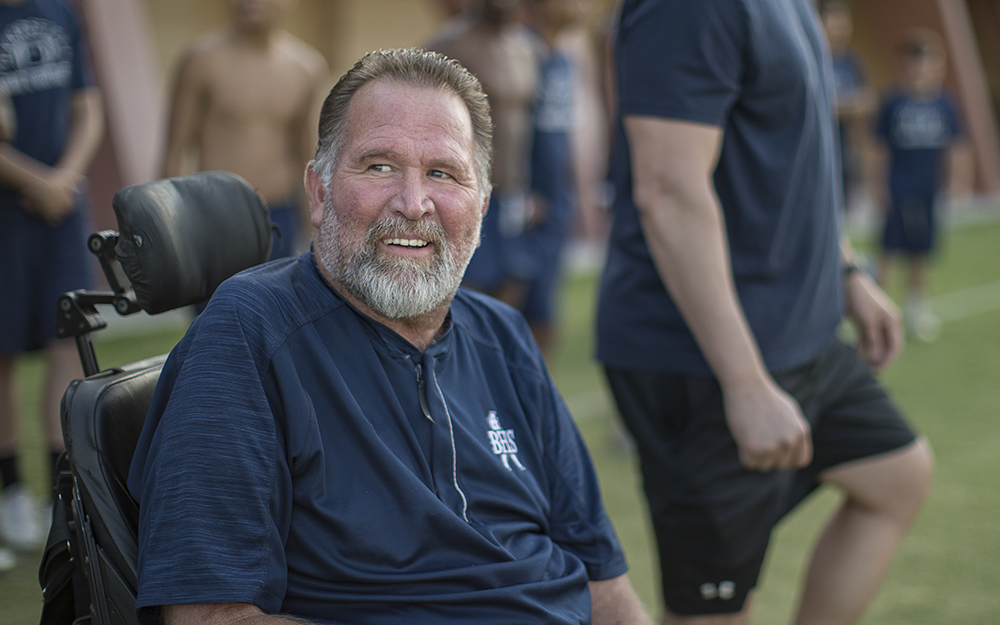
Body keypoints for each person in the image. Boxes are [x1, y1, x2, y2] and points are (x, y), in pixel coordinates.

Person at [128, 48, 651, 625]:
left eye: (442, 173)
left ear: (480, 206)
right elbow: (211, 616)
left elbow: (603, 582)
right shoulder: (250, 333)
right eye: (378, 166)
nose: (412, 203)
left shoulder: (503, 335)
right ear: (320, 193)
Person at [597, 2, 934, 624]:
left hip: (798, 338)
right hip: (707, 360)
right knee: (715, 611)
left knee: (897, 476)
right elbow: (668, 189)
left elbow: (785, 156)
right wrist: (745, 383)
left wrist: (846, 270)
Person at [0, 0, 104, 554]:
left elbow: (88, 107)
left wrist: (63, 178)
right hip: (8, 215)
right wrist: (37, 181)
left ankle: (64, 492)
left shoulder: (60, 12)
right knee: (4, 359)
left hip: (62, 210)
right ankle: (14, 491)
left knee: (67, 345)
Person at [162, 0, 329, 260]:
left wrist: (316, 231)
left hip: (279, 216)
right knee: (216, 301)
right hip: (214, 215)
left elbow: (308, 158)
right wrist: (170, 227)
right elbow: (174, 153)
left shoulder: (307, 67)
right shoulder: (202, 60)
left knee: (275, 301)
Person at [429, 0, 539, 308]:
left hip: (514, 195)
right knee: (467, 298)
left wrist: (533, 188)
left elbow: (530, 128)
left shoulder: (527, 49)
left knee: (513, 290)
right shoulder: (451, 47)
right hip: (468, 194)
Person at [873, 29, 963, 342]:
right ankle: (877, 307)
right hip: (898, 185)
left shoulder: (945, 103)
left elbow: (957, 146)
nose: (922, 68)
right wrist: (879, 184)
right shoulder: (893, 101)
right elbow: (879, 147)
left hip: (928, 188)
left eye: (928, 61)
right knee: (888, 248)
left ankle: (916, 307)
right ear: (903, 64)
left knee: (921, 250)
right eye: (916, 61)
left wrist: (957, 183)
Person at [819, 0, 876, 217]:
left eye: (844, 22)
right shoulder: (812, 59)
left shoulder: (852, 61)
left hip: (848, 148)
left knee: (847, 208)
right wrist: (850, 105)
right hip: (820, 146)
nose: (840, 28)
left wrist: (838, 106)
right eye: (833, 22)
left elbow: (869, 100)